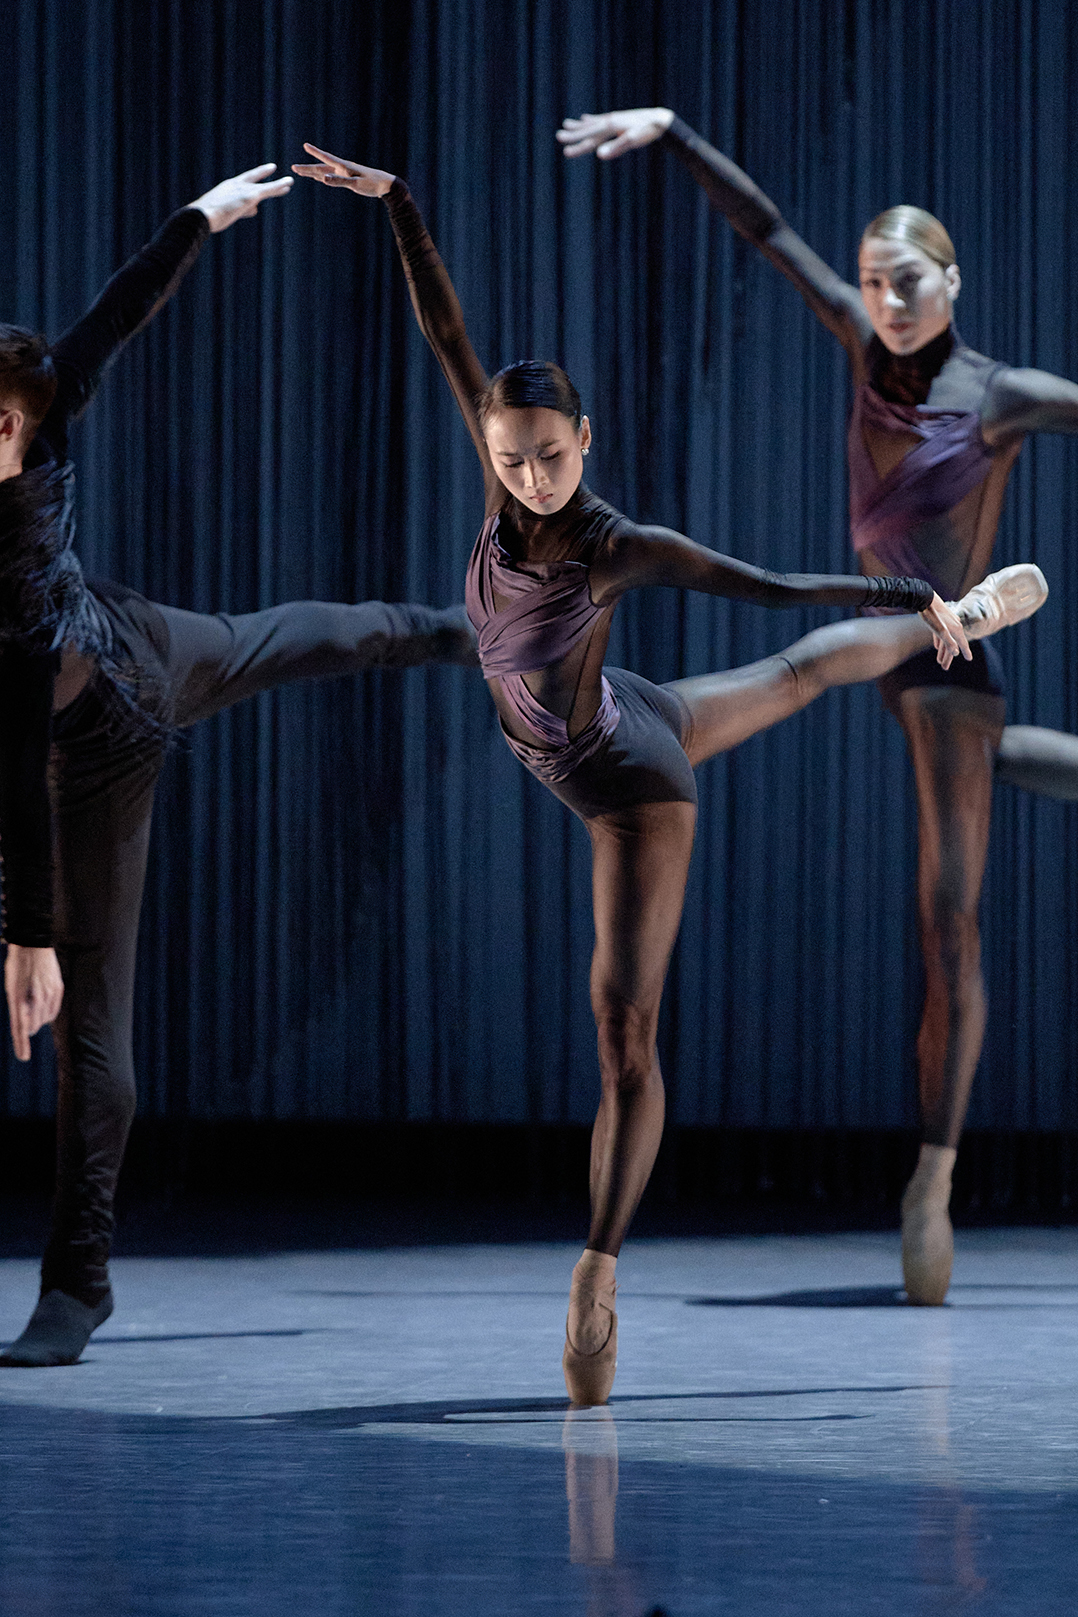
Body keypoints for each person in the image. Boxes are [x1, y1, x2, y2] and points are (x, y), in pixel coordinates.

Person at [293, 143, 1043, 1401]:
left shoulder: (613, 543)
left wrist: (907, 588)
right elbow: (445, 330)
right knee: (799, 677)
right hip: (614, 711)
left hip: (626, 779)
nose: (531, 473)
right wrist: (402, 206)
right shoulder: (501, 477)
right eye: (512, 456)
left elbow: (766, 583)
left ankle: (596, 1271)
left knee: (622, 1029)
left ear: (585, 440)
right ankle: (944, 614)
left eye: (551, 453)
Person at [558, 106, 1078, 1307]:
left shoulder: (1000, 396)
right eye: (871, 285)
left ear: (950, 281)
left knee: (948, 917)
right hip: (901, 617)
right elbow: (767, 231)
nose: (885, 302)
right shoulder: (857, 342)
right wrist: (676, 132)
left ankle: (931, 1180)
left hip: (939, 645)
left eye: (905, 284)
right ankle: (672, 712)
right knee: (865, 679)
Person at [0, 167, 477, 1369]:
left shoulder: (26, 477)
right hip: (84, 687)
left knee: (90, 1030)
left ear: (18, 420)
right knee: (295, 637)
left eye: (5, 423)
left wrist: (28, 936)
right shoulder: (21, 464)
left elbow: (18, 762)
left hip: (114, 707)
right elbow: (114, 314)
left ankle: (77, 1281)